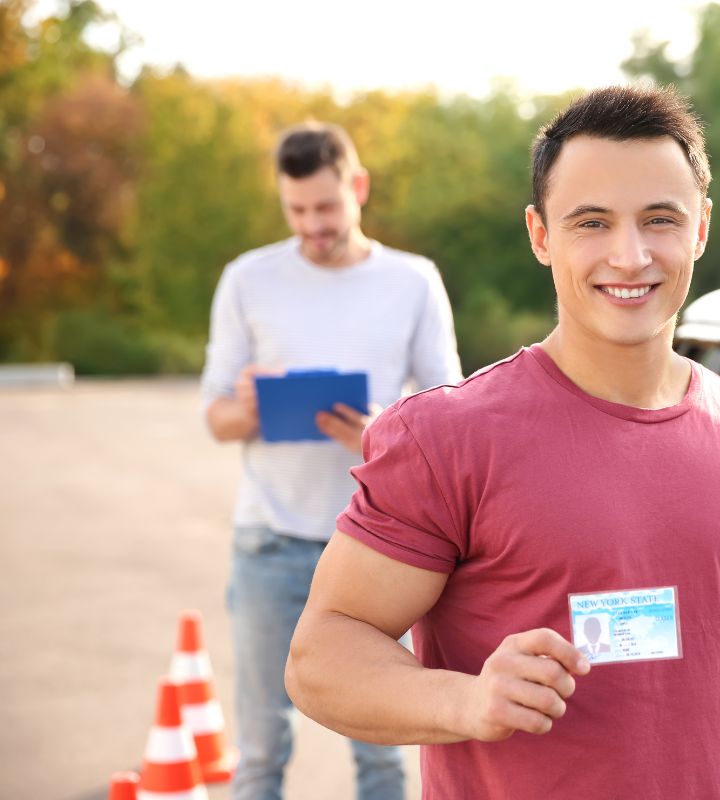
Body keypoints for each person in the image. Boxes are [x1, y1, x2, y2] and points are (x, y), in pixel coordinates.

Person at [285, 86, 720, 798]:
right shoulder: (447, 437)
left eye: (660, 220)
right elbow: (322, 657)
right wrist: (464, 701)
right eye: (591, 222)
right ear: (540, 235)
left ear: (701, 229)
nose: (629, 256)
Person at [200, 120, 461, 800]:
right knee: (260, 750)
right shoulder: (247, 279)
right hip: (270, 543)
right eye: (297, 210)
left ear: (359, 188)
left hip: (382, 553)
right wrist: (251, 406)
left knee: (381, 753)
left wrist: (383, 433)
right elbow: (216, 416)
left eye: (325, 207)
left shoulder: (413, 281)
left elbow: (451, 416)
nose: (312, 225)